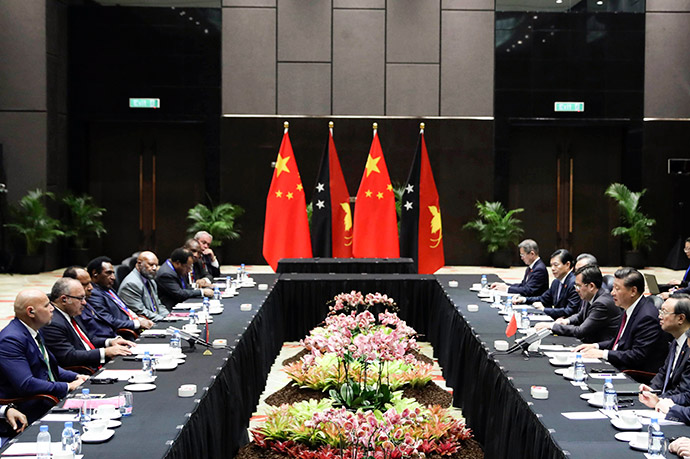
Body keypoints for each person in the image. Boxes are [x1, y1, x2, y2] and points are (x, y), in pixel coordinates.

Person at [0, 289, 87, 424]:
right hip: (31, 409)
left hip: (48, 399)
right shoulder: (11, 340)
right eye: (47, 305)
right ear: (31, 312)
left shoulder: (33, 331)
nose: (52, 308)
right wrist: (67, 386)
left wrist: (76, 376)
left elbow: (48, 367)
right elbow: (26, 384)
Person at [574, 267, 671, 374]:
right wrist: (595, 346)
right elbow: (619, 342)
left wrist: (603, 354)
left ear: (633, 291)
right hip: (620, 364)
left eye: (617, 289)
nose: (612, 293)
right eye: (613, 288)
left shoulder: (647, 317)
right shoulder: (628, 308)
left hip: (635, 374)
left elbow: (637, 355)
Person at [43, 278, 134, 373]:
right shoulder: (53, 323)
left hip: (96, 364)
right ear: (64, 299)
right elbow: (69, 356)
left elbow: (88, 340)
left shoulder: (72, 312)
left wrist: (110, 342)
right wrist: (105, 352)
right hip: (84, 372)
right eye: (80, 298)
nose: (84, 302)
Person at [536, 264, 621, 343]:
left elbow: (581, 331)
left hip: (599, 347)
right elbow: (580, 315)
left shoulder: (602, 303)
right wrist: (566, 321)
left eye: (578, 286)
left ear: (591, 286)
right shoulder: (591, 295)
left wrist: (552, 326)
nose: (576, 289)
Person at [638, 294, 690, 411]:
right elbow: (663, 372)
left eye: (664, 312)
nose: (659, 316)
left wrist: (659, 399)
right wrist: (652, 390)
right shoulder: (675, 341)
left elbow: (686, 394)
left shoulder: (688, 346)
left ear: (681, 318)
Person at [86, 256, 154, 335]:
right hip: (124, 335)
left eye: (113, 273)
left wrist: (140, 320)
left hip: (134, 326)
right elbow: (107, 319)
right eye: (108, 273)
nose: (113, 277)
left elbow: (124, 309)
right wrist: (137, 323)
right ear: (95, 273)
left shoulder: (108, 289)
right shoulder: (93, 294)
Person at [514, 249, 580, 319]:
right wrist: (524, 299)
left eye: (556, 265)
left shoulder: (574, 283)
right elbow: (543, 299)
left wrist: (544, 310)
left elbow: (570, 310)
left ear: (567, 265)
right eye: (551, 265)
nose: (553, 268)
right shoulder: (556, 282)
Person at [64, 266, 120, 342]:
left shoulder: (87, 300)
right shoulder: (73, 309)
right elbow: (89, 338)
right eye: (85, 284)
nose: (91, 288)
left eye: (90, 283)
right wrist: (109, 342)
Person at [118, 251, 169, 321]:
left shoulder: (150, 280)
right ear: (139, 264)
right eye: (151, 265)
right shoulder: (131, 284)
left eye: (156, 265)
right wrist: (163, 320)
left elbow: (158, 305)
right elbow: (141, 312)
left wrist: (169, 317)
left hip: (155, 319)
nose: (154, 268)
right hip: (143, 323)